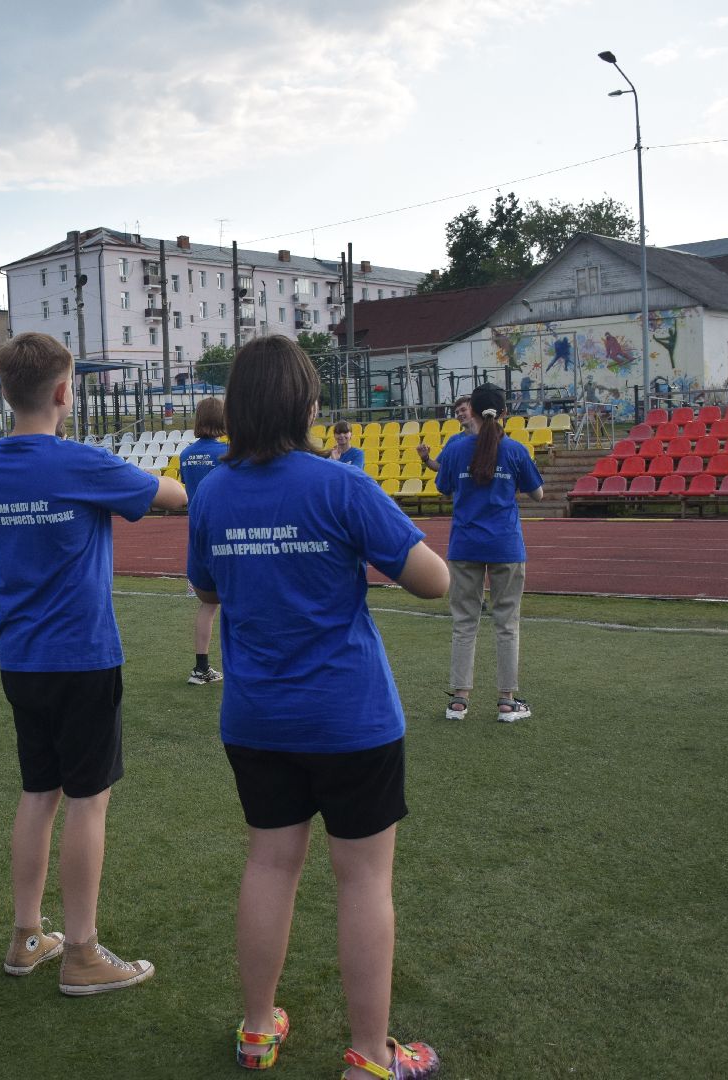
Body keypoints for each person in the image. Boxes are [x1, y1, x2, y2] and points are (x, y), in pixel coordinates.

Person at [186, 335, 448, 1076]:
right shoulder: (341, 484)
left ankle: (258, 1030)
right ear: (308, 405)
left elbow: (207, 589)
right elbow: (434, 579)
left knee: (269, 866)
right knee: (363, 880)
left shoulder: (214, 492)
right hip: (350, 715)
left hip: (258, 717)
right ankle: (370, 1056)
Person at [0, 332, 187, 995]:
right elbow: (173, 497)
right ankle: (83, 950)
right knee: (89, 800)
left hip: (22, 656)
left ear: (6, 391)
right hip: (82, 655)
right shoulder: (80, 462)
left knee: (40, 792)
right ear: (64, 392)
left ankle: (26, 935)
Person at [432, 383, 545, 722]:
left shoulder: (454, 449)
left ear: (473, 411)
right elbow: (538, 494)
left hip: (465, 544)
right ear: (504, 413)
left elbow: (444, 487)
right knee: (506, 624)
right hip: (505, 545)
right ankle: (507, 702)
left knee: (464, 622)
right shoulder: (514, 450)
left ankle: (459, 701)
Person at [178, 398, 227, 685]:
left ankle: (201, 667)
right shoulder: (228, 451)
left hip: (197, 531)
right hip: (224, 531)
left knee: (207, 604)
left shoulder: (186, 454)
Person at [416, 396, 474, 474]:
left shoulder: (489, 437)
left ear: (474, 411)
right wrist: (425, 458)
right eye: (457, 412)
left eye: (463, 410)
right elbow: (439, 466)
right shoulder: (454, 440)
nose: (459, 414)